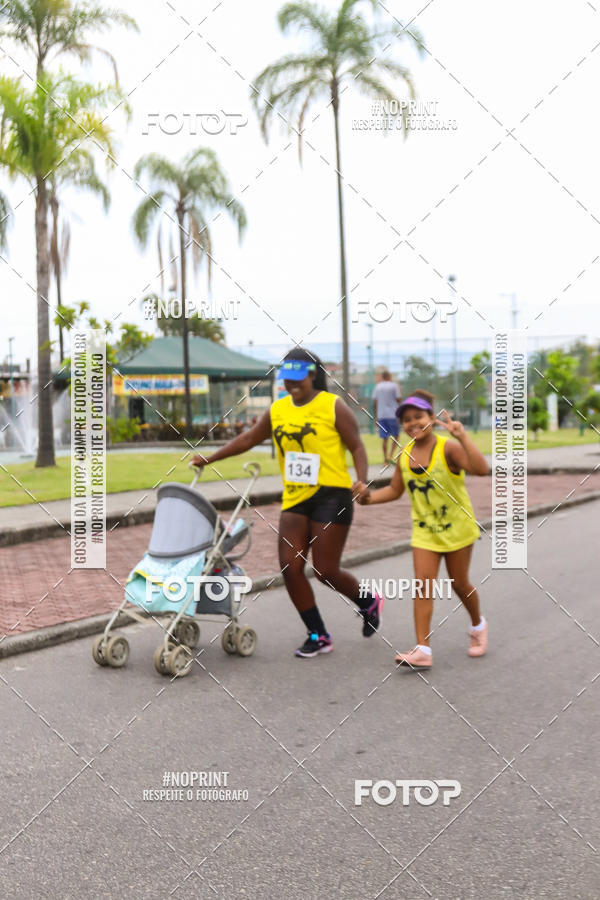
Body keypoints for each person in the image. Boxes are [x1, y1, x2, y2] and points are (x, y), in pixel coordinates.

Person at [191, 348, 384, 658]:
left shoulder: (333, 406)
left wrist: (361, 479)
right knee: (290, 568)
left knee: (324, 570)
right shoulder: (277, 410)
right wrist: (210, 459)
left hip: (331, 494)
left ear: (312, 375)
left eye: (298, 380)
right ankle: (318, 634)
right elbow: (248, 439)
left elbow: (358, 447)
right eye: (287, 381)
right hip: (295, 497)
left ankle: (367, 600)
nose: (292, 386)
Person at [353, 389, 489, 669]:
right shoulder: (404, 455)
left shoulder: (447, 448)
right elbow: (394, 490)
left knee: (459, 584)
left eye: (419, 417)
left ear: (431, 417)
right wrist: (367, 499)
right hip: (425, 532)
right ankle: (423, 649)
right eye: (407, 420)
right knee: (423, 586)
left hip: (458, 529)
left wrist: (461, 436)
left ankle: (478, 626)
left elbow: (481, 469)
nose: (413, 423)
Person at [373, 371, 402, 464]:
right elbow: (398, 399)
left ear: (382, 376)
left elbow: (375, 401)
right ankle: (390, 455)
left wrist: (376, 416)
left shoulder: (377, 387)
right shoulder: (394, 386)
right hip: (393, 415)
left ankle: (385, 460)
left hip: (381, 415)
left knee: (384, 438)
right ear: (389, 376)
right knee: (396, 436)